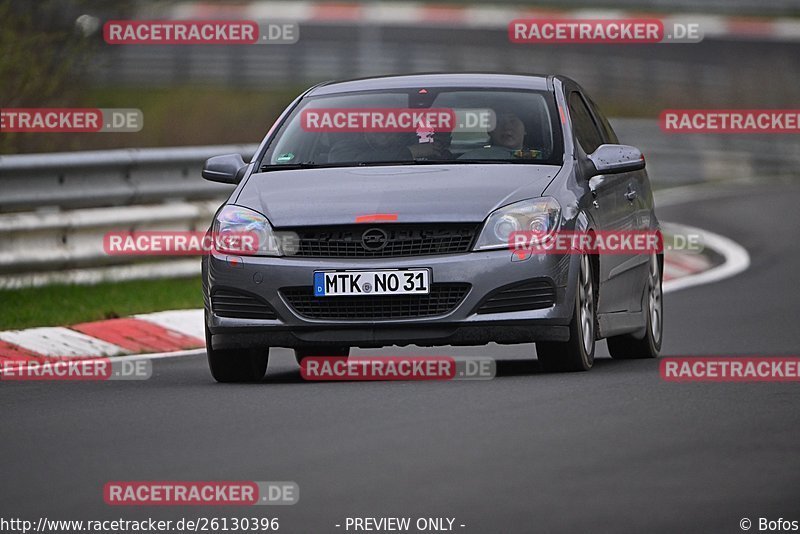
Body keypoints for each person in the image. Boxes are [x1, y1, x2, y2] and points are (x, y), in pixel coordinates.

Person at [458, 112, 531, 160]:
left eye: (513, 121)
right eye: (498, 122)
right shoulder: (472, 158)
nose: (507, 127)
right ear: (489, 130)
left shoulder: (538, 159)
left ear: (525, 129)